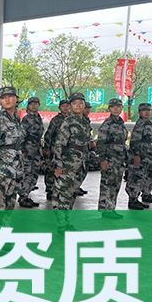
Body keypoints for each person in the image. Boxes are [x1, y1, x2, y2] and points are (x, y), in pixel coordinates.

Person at [52, 92, 88, 232]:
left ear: (84, 105)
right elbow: (59, 144)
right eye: (74, 103)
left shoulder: (85, 122)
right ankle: (61, 224)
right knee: (63, 193)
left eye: (81, 103)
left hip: (81, 164)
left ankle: (67, 221)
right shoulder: (68, 121)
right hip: (68, 164)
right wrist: (58, 165)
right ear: (70, 106)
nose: (78, 106)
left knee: (72, 193)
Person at [96, 98, 128, 219]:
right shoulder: (107, 124)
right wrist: (102, 159)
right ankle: (106, 209)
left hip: (119, 159)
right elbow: (100, 143)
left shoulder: (120, 123)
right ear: (109, 109)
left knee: (116, 184)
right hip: (110, 158)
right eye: (113, 107)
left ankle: (110, 208)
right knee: (108, 184)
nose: (116, 109)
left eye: (118, 107)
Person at [125, 102, 152, 210]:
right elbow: (135, 141)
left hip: (146, 156)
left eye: (148, 110)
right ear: (139, 112)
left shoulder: (148, 123)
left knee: (142, 177)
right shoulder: (140, 124)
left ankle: (136, 198)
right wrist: (136, 155)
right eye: (144, 110)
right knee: (136, 177)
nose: (146, 112)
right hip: (140, 155)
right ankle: (132, 200)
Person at [18, 96, 43, 208]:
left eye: (36, 104)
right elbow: (21, 136)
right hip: (27, 150)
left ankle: (27, 194)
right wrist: (22, 150)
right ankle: (23, 197)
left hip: (36, 150)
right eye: (31, 104)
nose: (34, 106)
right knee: (27, 173)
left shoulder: (38, 118)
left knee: (34, 173)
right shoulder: (26, 119)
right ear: (28, 106)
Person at [43, 99, 70, 200]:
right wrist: (47, 147)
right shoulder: (56, 120)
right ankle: (50, 190)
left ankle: (61, 190)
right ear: (59, 108)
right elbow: (48, 134)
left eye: (67, 106)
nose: (65, 108)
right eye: (63, 106)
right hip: (55, 148)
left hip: (67, 150)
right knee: (52, 169)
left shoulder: (71, 119)